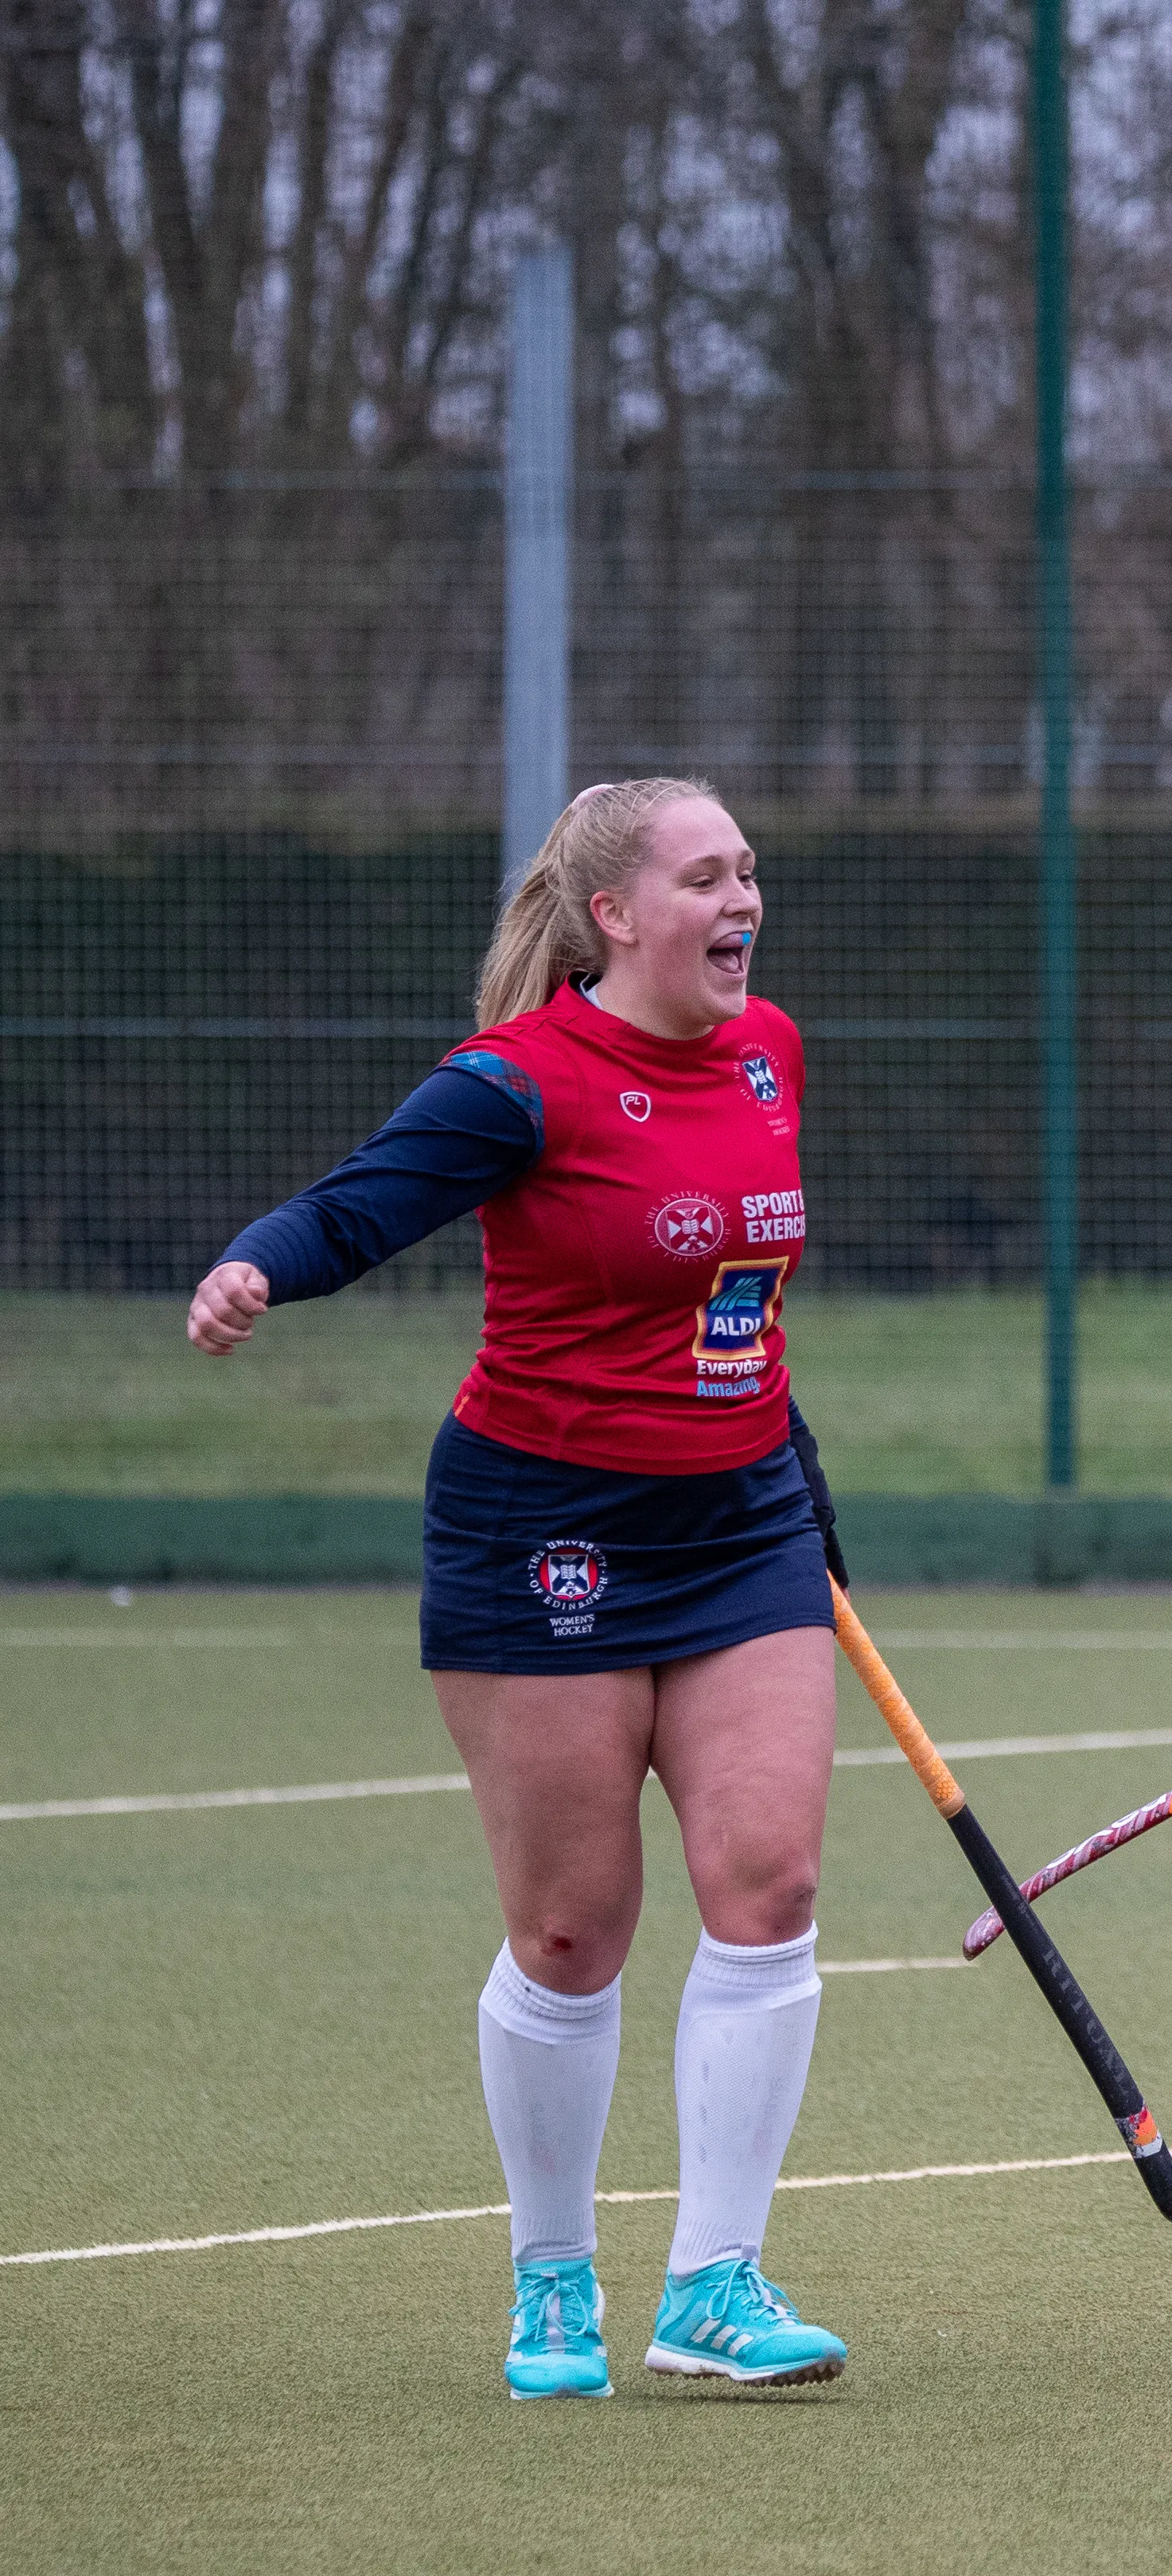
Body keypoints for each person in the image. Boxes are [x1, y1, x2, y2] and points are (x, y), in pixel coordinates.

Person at [185, 778, 855, 2399]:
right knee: (572, 1930)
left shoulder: (768, 1050)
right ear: (617, 916)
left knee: (765, 1885)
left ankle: (715, 2285)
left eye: (748, 869)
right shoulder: (519, 1083)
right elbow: (364, 1199)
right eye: (707, 876)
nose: (741, 897)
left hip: (743, 1522)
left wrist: (801, 1487)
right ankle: (553, 2276)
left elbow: (737, 1302)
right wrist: (258, 1263)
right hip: (540, 1530)